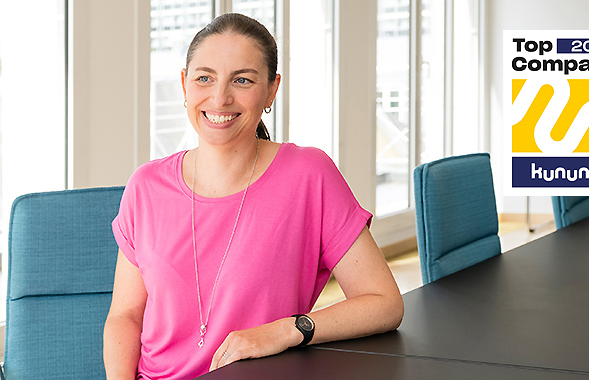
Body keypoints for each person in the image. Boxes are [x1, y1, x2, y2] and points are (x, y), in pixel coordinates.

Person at [104, 13, 403, 380]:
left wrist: (286, 330)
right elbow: (125, 316)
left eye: (242, 80)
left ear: (271, 90)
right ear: (185, 86)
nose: (220, 97)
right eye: (204, 78)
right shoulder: (145, 186)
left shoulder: (309, 175)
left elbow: (383, 303)